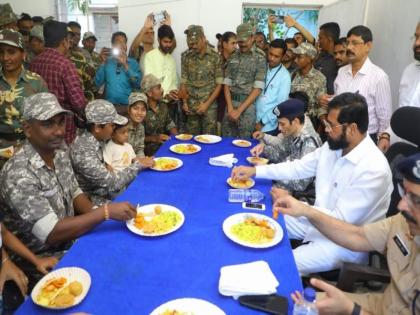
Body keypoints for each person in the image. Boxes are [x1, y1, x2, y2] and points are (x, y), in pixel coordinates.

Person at [231, 92, 392, 274]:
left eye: (331, 126)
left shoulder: (374, 169)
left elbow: (341, 221)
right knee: (257, 220)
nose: (327, 130)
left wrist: (301, 207)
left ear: (352, 128)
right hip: (314, 220)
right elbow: (298, 167)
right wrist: (256, 171)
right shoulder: (335, 146)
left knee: (279, 266)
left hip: (343, 242)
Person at [0, 92, 137, 285]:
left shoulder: (59, 151)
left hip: (72, 236)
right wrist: (104, 213)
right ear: (28, 129)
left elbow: (74, 192)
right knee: (113, 273)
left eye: (61, 122)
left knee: (124, 242)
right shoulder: (19, 173)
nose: (58, 131)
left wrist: (98, 216)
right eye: (48, 124)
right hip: (42, 257)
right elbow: (51, 233)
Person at [281, 152, 420, 315]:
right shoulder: (402, 222)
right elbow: (356, 236)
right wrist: (306, 211)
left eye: (416, 200)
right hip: (378, 304)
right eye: (404, 193)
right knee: (287, 303)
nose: (401, 205)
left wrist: (351, 310)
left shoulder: (372, 166)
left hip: (361, 310)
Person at [70, 99, 153, 206]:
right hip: (91, 200)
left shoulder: (97, 137)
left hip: (105, 191)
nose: (114, 130)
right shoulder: (83, 151)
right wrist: (138, 165)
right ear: (97, 128)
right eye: (112, 126)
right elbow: (112, 183)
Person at [330, 26, 392, 149]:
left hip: (366, 139)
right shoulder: (342, 72)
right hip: (341, 135)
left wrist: (383, 138)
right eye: (348, 43)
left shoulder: (379, 77)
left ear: (368, 46)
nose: (349, 47)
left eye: (354, 43)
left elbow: (384, 117)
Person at [252, 99, 321, 201]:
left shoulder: (309, 141)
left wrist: (268, 171)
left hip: (302, 198)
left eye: (282, 124)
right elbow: (280, 153)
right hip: (288, 186)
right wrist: (263, 149)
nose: (279, 128)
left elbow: (301, 183)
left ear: (295, 121)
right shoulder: (293, 132)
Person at [30, 20, 87, 144]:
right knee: (62, 160)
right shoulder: (65, 65)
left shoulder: (34, 62)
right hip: (62, 127)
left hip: (40, 126)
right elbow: (78, 103)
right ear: (64, 42)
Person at [0, 29, 48, 169]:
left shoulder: (36, 82)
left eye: (11, 51)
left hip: (31, 149)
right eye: (1, 52)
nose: (5, 57)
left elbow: (47, 120)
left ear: (23, 54)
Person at [222, 23, 266, 138]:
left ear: (252, 37)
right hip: (230, 105)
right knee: (226, 142)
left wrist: (239, 111)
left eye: (244, 41)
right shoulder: (233, 56)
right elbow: (226, 83)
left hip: (247, 108)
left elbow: (258, 88)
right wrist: (231, 108)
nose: (241, 44)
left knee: (244, 145)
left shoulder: (260, 57)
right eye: (239, 41)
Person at [181, 25, 223, 135]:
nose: (193, 46)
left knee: (209, 140)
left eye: (195, 43)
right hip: (191, 105)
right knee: (191, 140)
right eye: (190, 43)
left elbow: (219, 84)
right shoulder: (186, 56)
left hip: (209, 106)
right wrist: (184, 102)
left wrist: (206, 104)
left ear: (203, 39)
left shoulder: (215, 57)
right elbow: (183, 81)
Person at [95, 31, 141, 110]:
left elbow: (137, 84)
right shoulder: (107, 62)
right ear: (113, 46)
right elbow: (96, 84)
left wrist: (125, 65)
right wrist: (102, 63)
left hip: (128, 106)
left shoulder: (133, 63)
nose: (122, 45)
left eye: (124, 42)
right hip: (109, 106)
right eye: (119, 42)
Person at [143, 24, 179, 124]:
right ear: (158, 40)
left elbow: (174, 82)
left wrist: (174, 94)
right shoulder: (150, 56)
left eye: (170, 42)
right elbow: (149, 83)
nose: (168, 45)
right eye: (165, 42)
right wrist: (164, 96)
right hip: (155, 105)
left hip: (171, 105)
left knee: (170, 133)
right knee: (158, 136)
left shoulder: (171, 59)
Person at [255, 39, 291, 135]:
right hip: (252, 120)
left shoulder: (285, 76)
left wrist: (262, 122)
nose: (272, 58)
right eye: (270, 54)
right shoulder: (261, 67)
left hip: (268, 127)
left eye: (276, 56)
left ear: (283, 56)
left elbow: (280, 105)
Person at [290, 42, 327, 130]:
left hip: (308, 124)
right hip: (291, 120)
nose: (295, 60)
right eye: (296, 56)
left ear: (310, 58)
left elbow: (321, 107)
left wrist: (323, 126)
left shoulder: (319, 78)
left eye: (300, 57)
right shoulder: (293, 74)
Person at [142, 74, 178, 155]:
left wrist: (178, 139)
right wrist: (154, 138)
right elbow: (134, 138)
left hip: (164, 147)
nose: (162, 90)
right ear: (149, 93)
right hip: (147, 152)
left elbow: (169, 123)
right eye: (158, 88)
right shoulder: (141, 109)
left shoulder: (163, 105)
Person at [216, 31, 237, 130]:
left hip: (233, 102)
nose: (236, 46)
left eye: (236, 43)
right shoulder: (215, 60)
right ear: (224, 44)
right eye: (233, 43)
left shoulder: (238, 60)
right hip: (217, 102)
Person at [315, 22, 340, 94]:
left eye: (320, 38)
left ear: (329, 38)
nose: (318, 41)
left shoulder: (339, 61)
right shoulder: (320, 56)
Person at [127, 92, 147, 156]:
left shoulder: (141, 127)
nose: (139, 113)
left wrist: (143, 161)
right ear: (129, 110)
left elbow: (140, 150)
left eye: (143, 109)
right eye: (135, 108)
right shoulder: (122, 128)